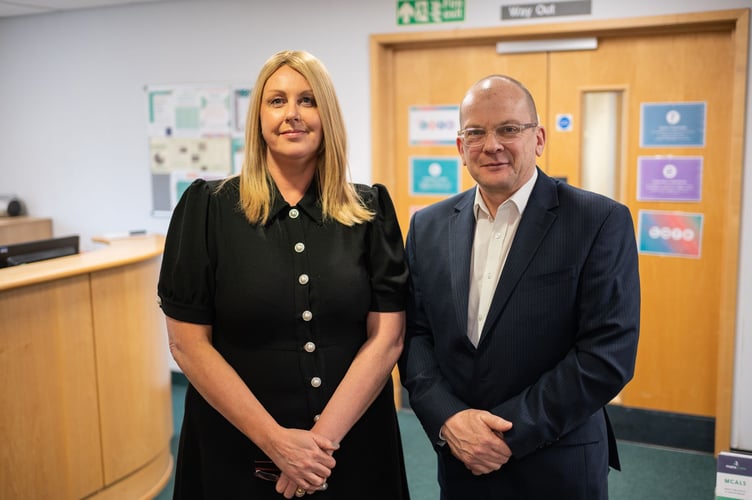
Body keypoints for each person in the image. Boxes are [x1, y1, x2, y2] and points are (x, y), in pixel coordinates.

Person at [157, 50, 410, 500]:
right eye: (276, 101)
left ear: (327, 115)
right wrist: (275, 441)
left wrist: (317, 448)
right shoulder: (207, 209)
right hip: (235, 450)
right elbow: (187, 344)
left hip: (350, 448)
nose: (291, 114)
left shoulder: (370, 211)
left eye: (308, 100)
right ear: (258, 117)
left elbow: (386, 338)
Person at [399, 74, 640, 499]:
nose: (491, 144)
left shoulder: (597, 221)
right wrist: (449, 419)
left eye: (509, 129)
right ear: (460, 147)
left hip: (556, 462)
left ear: (539, 138)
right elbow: (415, 335)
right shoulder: (428, 226)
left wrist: (502, 435)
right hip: (460, 462)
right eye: (475, 132)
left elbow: (607, 355)